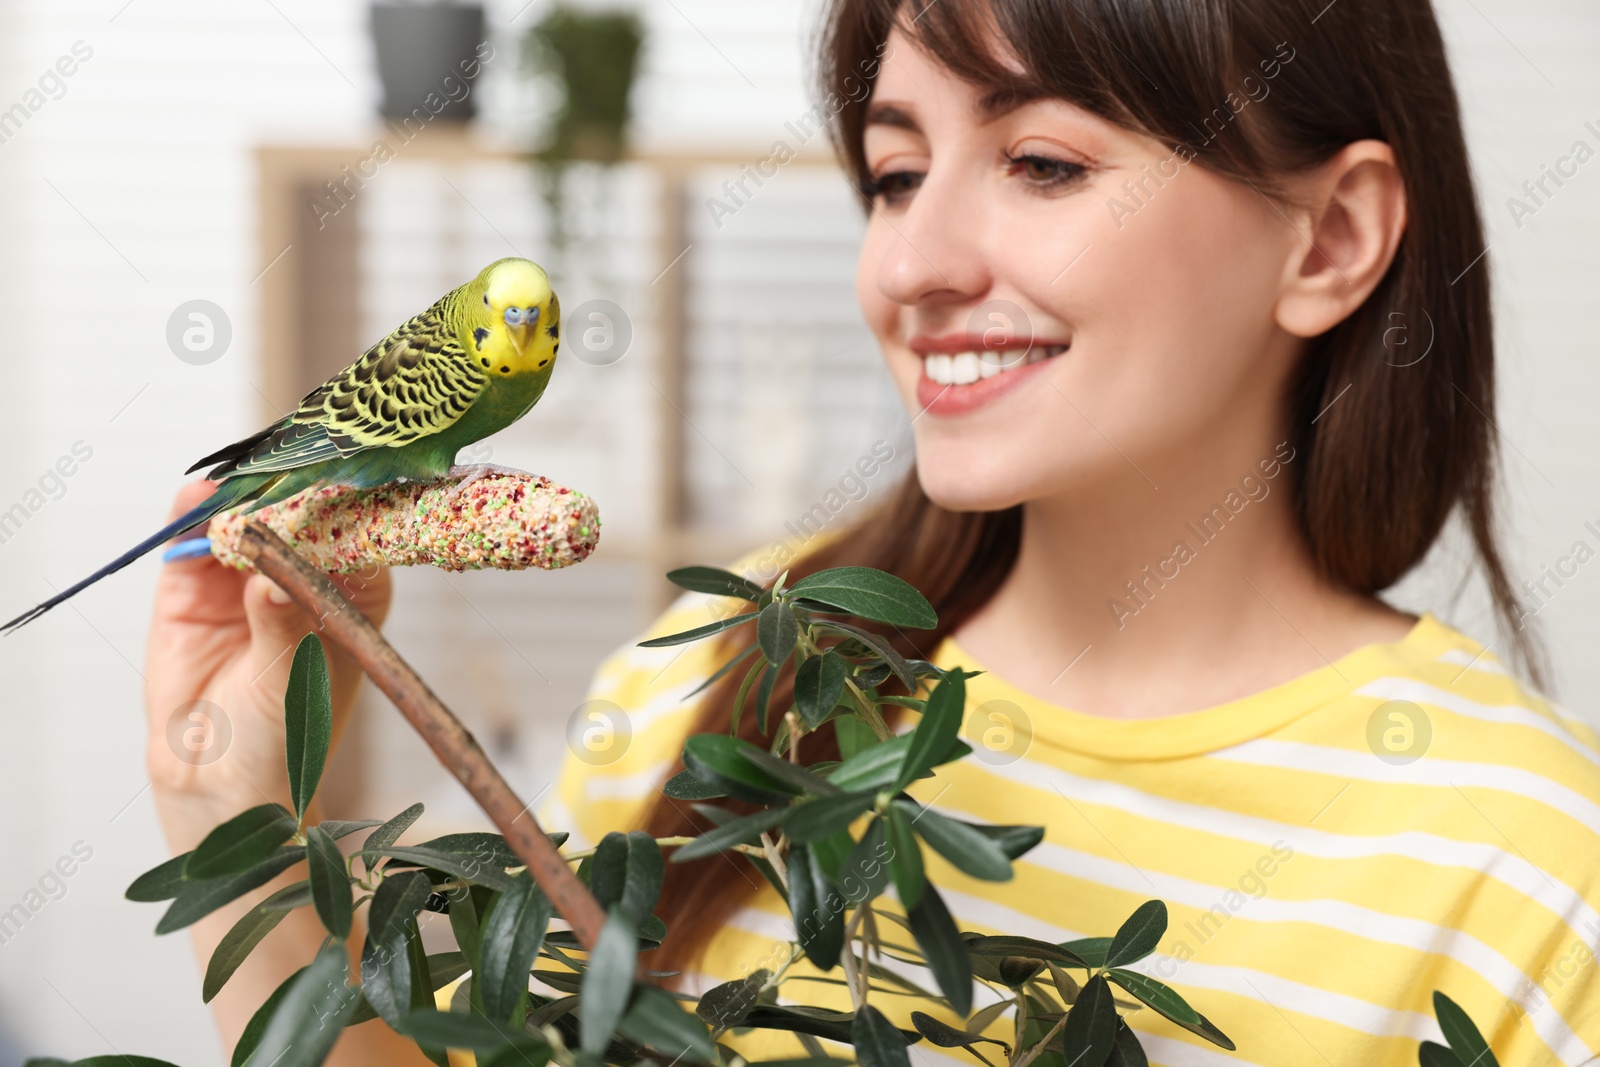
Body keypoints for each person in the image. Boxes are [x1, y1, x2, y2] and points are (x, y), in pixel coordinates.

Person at [145, 0, 1600, 1063]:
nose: (910, 263)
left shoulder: (1532, 872)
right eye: (896, 174)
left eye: (1043, 164)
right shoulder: (714, 663)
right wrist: (240, 827)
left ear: (1331, 237)